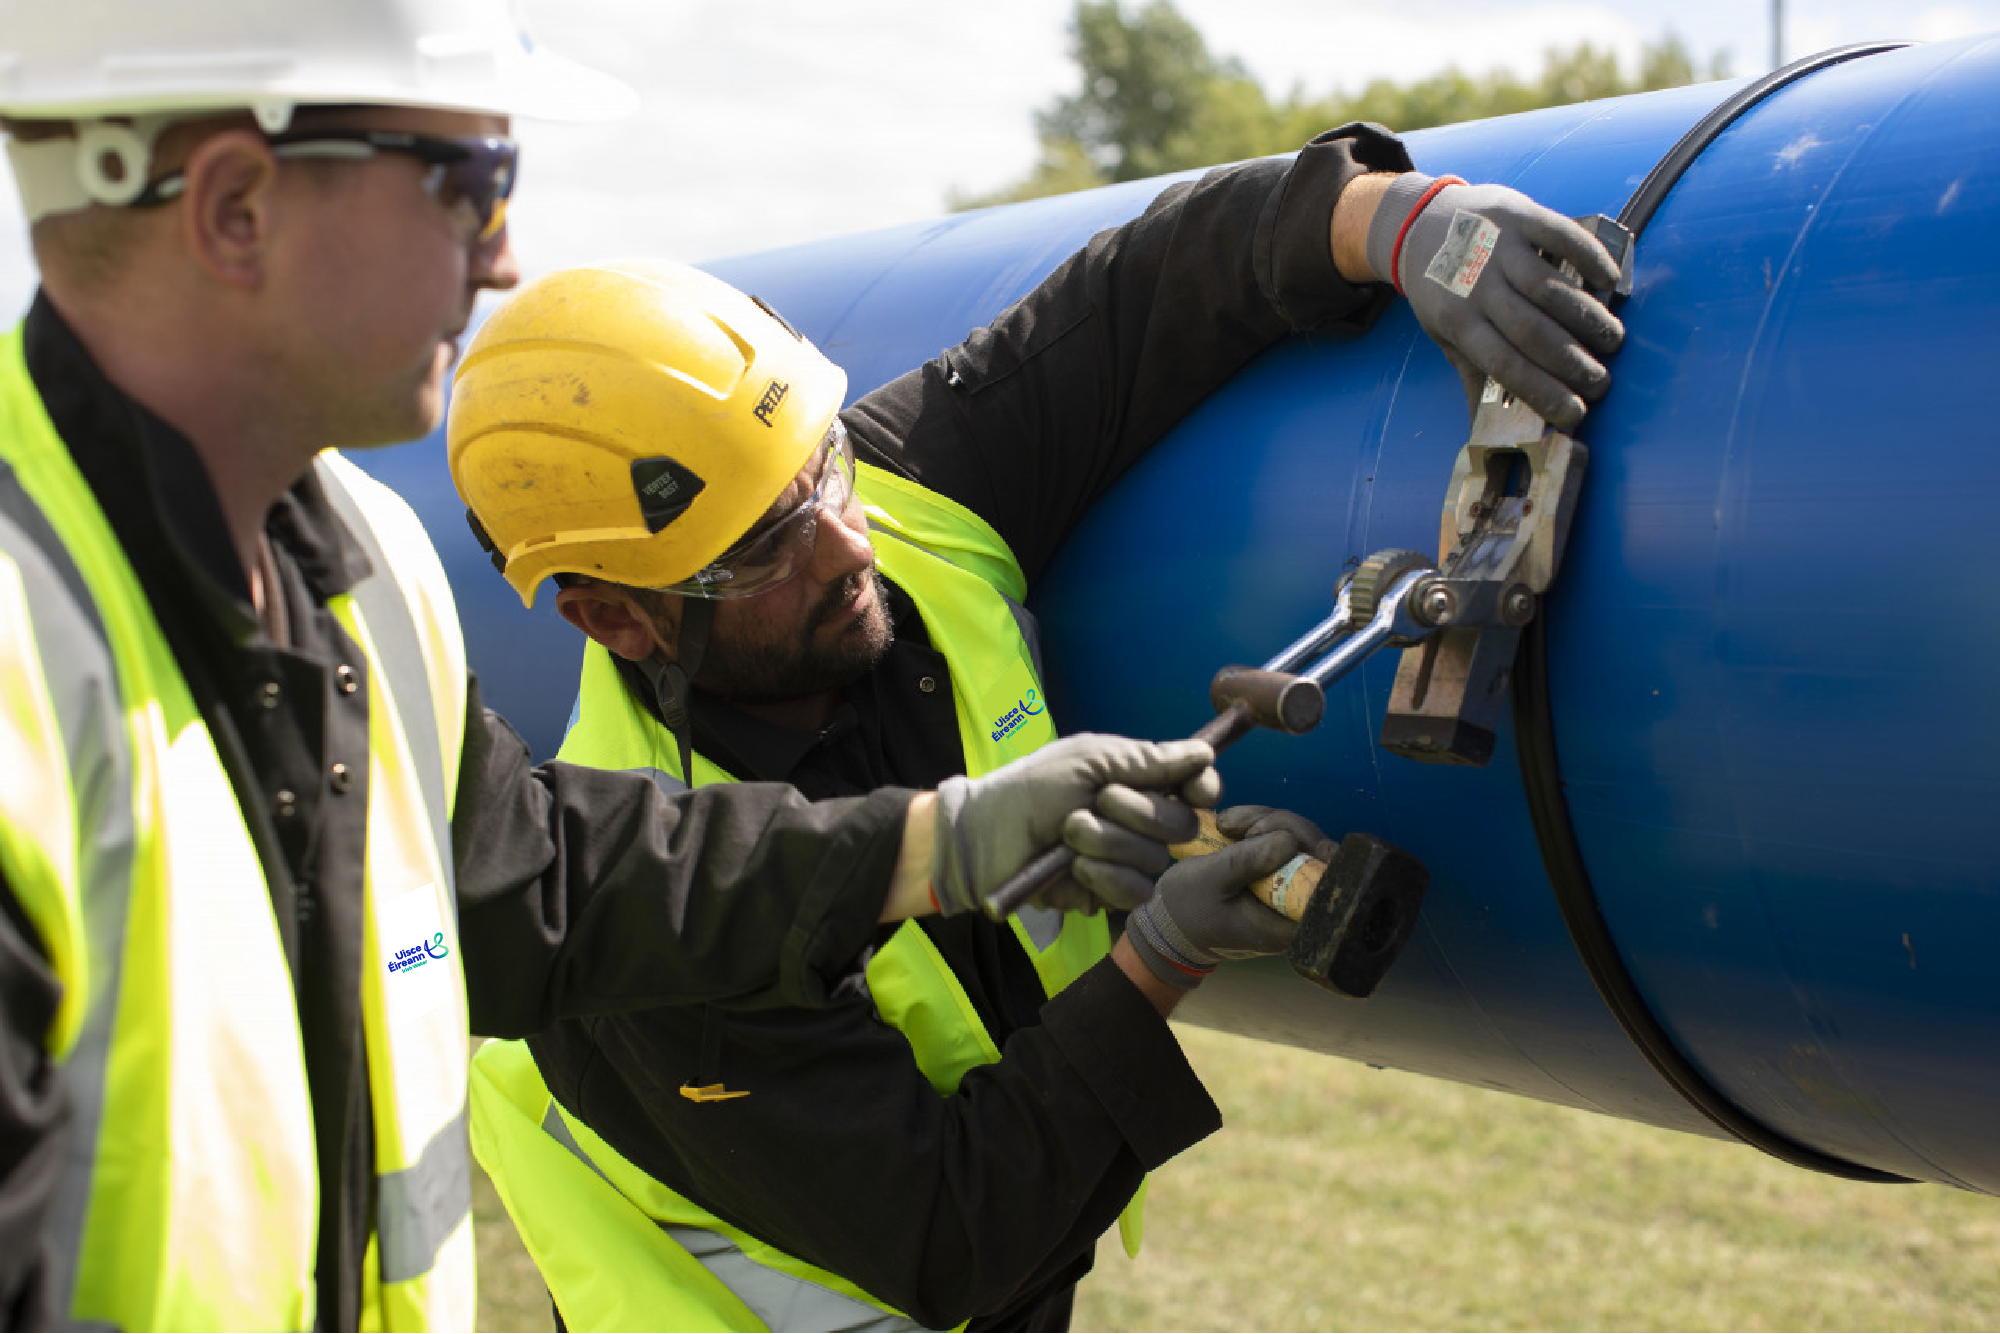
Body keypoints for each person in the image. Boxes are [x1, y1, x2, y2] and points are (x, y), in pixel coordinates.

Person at [0, 2, 1227, 1328]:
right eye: (469, 183)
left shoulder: (359, 560)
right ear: (238, 208)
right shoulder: (26, 657)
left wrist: (942, 841)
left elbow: (542, 877)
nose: (501, 255)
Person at [450, 118, 1625, 1329]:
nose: (848, 541)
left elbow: (1143, 292)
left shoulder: (901, 491)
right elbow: (953, 1231)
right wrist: (1158, 952)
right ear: (617, 621)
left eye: (819, 469)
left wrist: (1399, 222)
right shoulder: (646, 908)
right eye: (763, 546)